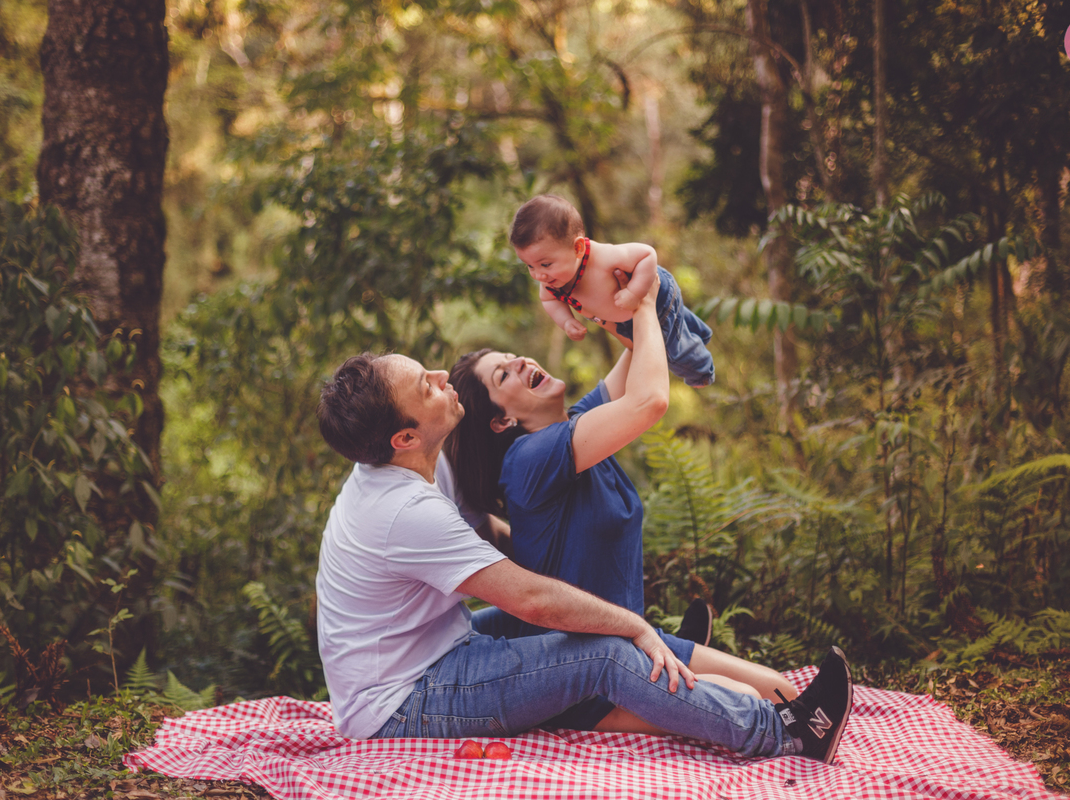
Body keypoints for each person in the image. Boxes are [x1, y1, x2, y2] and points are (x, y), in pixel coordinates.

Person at [312, 285, 855, 763]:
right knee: (600, 651)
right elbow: (531, 599)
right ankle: (785, 733)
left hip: (432, 650)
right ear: (402, 437)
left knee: (574, 632)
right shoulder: (405, 510)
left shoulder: (421, 466)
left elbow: (492, 544)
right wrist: (632, 626)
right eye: (426, 388)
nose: (438, 375)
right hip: (403, 704)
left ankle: (656, 682)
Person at [445, 271, 793, 733]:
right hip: (587, 677)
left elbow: (638, 349)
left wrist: (604, 290)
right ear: (500, 420)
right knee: (749, 700)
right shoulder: (530, 459)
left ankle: (683, 649)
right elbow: (649, 400)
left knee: (783, 693)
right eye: (503, 373)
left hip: (632, 639)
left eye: (512, 357)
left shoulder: (577, 424)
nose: (520, 361)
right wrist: (646, 305)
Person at [511, 193, 715, 388]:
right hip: (625, 320)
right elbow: (549, 301)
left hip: (655, 296)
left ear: (578, 248)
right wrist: (566, 321)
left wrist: (634, 292)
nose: (538, 275)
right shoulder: (550, 282)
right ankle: (701, 333)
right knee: (675, 326)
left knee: (673, 351)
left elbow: (647, 255)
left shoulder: (603, 257)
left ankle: (702, 373)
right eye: (529, 266)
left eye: (545, 264)